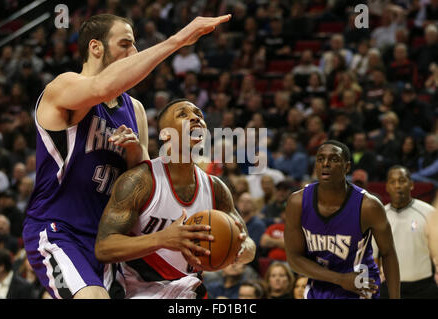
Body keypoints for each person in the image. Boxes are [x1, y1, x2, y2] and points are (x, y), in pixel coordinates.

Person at [22, 13, 233, 299]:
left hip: (108, 237)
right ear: (96, 47)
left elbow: (141, 178)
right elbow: (101, 87)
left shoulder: (134, 109)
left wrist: (134, 150)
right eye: (125, 44)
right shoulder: (63, 87)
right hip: (59, 228)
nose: (134, 53)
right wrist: (178, 40)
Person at [95, 99, 256, 299]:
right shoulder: (140, 180)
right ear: (165, 134)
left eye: (199, 115)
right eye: (183, 114)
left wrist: (238, 249)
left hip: (187, 289)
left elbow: (248, 243)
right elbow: (103, 248)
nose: (196, 118)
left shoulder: (216, 188)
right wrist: (161, 239)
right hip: (135, 289)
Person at [284, 140, 400, 299]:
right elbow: (294, 259)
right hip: (319, 286)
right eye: (320, 159)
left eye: (334, 159)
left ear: (347, 167)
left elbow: (388, 253)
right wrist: (340, 279)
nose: (325, 163)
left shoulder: (368, 206)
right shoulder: (297, 202)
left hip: (359, 287)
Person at [373, 166, 438, 299]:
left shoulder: (429, 212)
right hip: (389, 288)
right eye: (392, 182)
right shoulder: (380, 216)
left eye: (402, 180)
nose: (397, 185)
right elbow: (373, 255)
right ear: (387, 187)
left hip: (423, 288)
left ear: (411, 184)